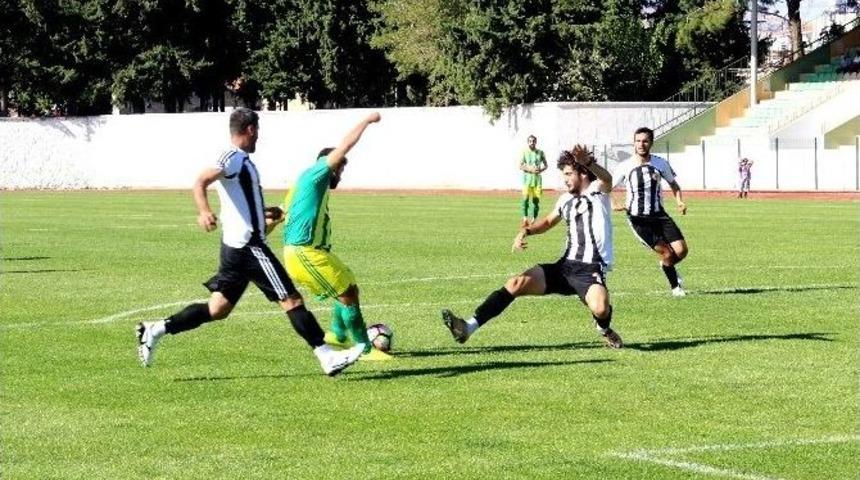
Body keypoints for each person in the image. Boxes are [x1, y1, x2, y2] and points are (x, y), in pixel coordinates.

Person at [135, 107, 365, 376]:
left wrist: (265, 214)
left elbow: (239, 202)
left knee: (217, 309)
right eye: (258, 131)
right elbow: (200, 181)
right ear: (251, 129)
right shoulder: (232, 157)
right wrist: (204, 211)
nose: (258, 137)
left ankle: (156, 329)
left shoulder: (241, 161)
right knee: (291, 299)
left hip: (235, 248)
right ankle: (326, 356)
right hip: (249, 246)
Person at [442, 145, 623, 349]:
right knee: (516, 283)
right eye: (563, 174)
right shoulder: (565, 200)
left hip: (589, 270)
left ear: (582, 172)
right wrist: (526, 231)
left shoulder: (598, 190)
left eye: (568, 174)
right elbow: (547, 222)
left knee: (600, 309)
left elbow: (607, 178)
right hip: (565, 267)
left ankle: (603, 329)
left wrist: (588, 162)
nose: (564, 179)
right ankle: (468, 327)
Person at [270, 112, 391, 361]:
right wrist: (367, 121)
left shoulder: (307, 184)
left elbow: (279, 213)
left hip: (315, 251)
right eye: (339, 168)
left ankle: (338, 333)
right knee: (346, 295)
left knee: (350, 285)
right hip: (304, 252)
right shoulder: (317, 173)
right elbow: (345, 145)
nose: (340, 175)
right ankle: (364, 349)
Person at [611, 127, 689, 297]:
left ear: (651, 143)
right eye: (638, 141)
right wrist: (613, 203)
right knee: (667, 253)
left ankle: (666, 265)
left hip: (659, 215)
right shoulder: (625, 166)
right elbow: (606, 187)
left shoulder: (660, 163)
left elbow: (674, 185)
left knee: (682, 251)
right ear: (634, 143)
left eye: (645, 141)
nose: (641, 144)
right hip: (638, 219)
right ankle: (676, 288)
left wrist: (679, 201)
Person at [520, 134, 548, 227]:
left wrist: (541, 170)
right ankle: (525, 219)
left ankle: (534, 219)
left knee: (535, 201)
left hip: (536, 180)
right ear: (528, 142)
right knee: (525, 200)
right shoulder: (524, 152)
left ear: (536, 142)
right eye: (530, 141)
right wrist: (529, 169)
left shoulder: (540, 153)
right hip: (527, 179)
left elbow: (546, 165)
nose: (532, 143)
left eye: (533, 141)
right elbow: (520, 165)